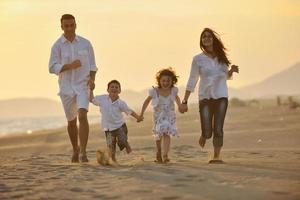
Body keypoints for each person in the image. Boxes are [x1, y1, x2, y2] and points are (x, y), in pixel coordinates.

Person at [181, 28, 239, 163]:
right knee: (207, 131)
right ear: (201, 41)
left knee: (218, 128)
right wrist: (185, 100)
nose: (206, 38)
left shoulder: (221, 57)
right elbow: (192, 79)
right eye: (203, 37)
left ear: (213, 39)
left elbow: (225, 76)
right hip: (205, 98)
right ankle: (204, 135)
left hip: (221, 96)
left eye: (209, 36)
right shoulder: (197, 59)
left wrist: (231, 71)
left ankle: (216, 156)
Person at [49, 14, 97, 163]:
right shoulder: (57, 46)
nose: (69, 28)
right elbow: (51, 67)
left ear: (76, 25)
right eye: (66, 26)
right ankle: (75, 148)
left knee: (82, 116)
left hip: (83, 85)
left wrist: (92, 81)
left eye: (72, 25)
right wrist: (69, 66)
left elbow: (93, 66)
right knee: (71, 121)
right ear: (62, 27)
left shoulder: (85, 44)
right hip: (66, 88)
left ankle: (83, 152)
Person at [90, 80, 143, 163]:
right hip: (108, 129)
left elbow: (129, 111)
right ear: (107, 90)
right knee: (111, 147)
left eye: (116, 87)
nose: (114, 88)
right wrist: (91, 89)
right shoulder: (102, 99)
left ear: (119, 91)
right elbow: (92, 100)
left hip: (120, 127)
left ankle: (132, 155)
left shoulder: (121, 103)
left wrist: (138, 117)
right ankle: (113, 161)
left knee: (123, 141)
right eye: (112, 87)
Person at [140, 68, 184, 163]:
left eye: (168, 80)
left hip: (169, 116)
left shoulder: (173, 90)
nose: (165, 83)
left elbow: (177, 98)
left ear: (172, 81)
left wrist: (180, 105)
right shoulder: (155, 91)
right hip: (158, 116)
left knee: (167, 133)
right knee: (159, 134)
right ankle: (159, 151)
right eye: (163, 80)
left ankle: (165, 155)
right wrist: (142, 113)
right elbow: (147, 101)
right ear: (159, 81)